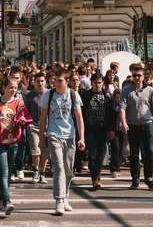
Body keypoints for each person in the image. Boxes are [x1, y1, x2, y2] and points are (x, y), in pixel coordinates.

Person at [39, 69, 85, 216]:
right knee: (58, 167)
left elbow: (79, 118)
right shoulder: (48, 95)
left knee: (68, 170)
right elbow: (43, 118)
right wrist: (41, 137)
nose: (56, 83)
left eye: (59, 80)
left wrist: (81, 138)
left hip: (70, 136)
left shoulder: (73, 94)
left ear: (66, 81)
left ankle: (65, 196)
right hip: (53, 134)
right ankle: (59, 200)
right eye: (55, 80)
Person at [0, 78, 32, 215]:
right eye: (11, 87)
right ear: (4, 87)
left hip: (14, 140)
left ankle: (2, 198)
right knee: (3, 172)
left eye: (15, 87)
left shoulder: (19, 102)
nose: (13, 90)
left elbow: (26, 117)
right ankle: (7, 201)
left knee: (8, 173)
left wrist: (23, 121)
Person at [119, 63, 153, 191]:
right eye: (134, 75)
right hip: (133, 126)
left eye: (139, 75)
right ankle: (135, 179)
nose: (137, 78)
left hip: (147, 124)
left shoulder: (150, 90)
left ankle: (149, 178)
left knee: (150, 152)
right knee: (134, 154)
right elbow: (122, 108)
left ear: (143, 76)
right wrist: (123, 122)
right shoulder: (126, 90)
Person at [81, 73, 114, 190]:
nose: (98, 85)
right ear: (92, 83)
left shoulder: (107, 96)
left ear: (103, 83)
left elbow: (112, 114)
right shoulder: (86, 95)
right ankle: (95, 178)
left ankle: (97, 174)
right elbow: (81, 112)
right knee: (92, 155)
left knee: (101, 154)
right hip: (90, 128)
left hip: (103, 128)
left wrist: (111, 129)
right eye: (95, 83)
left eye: (100, 83)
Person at [25, 72, 48, 184]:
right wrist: (28, 123)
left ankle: (42, 172)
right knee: (35, 150)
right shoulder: (30, 95)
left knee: (45, 152)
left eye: (42, 81)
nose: (40, 83)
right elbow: (26, 110)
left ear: (45, 82)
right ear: (34, 82)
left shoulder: (49, 94)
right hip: (33, 126)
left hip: (47, 127)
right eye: (38, 81)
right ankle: (36, 171)